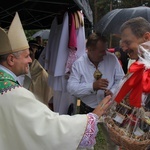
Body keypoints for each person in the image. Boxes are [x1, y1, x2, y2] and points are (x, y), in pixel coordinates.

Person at [0, 12, 112, 150]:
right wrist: (90, 119)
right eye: (27, 56)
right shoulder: (14, 94)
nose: (31, 60)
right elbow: (48, 127)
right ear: (11, 59)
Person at [67, 32, 125, 150]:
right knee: (85, 143)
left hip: (109, 106)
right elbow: (71, 88)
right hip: (88, 107)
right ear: (89, 49)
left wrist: (112, 91)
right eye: (101, 51)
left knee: (114, 141)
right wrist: (92, 86)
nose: (105, 53)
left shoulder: (112, 58)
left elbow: (121, 79)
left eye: (105, 49)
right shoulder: (79, 64)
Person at [17, 40, 54, 107]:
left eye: (35, 47)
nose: (29, 59)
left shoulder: (41, 73)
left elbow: (48, 95)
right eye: (26, 56)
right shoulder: (18, 72)